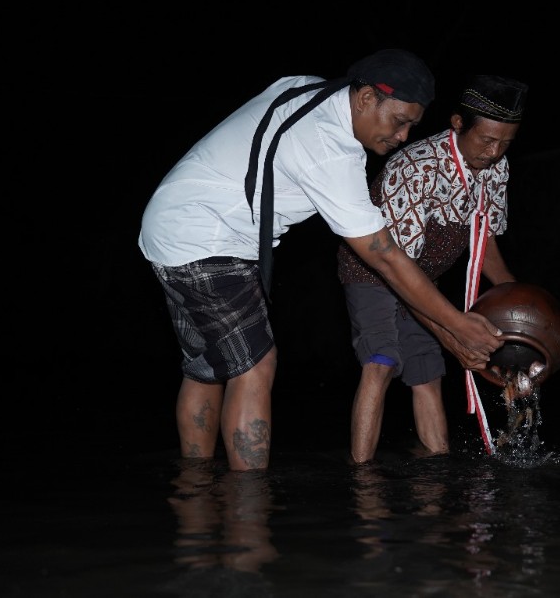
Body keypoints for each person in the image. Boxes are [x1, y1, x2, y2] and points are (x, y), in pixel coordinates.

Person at [138, 49, 504, 470]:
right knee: (255, 366)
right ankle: (248, 509)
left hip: (167, 226)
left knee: (206, 367)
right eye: (400, 121)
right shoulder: (331, 149)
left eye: (412, 126)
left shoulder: (306, 87)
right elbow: (383, 256)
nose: (403, 136)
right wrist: (458, 325)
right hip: (209, 237)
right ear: (366, 98)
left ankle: (196, 493)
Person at [336, 74, 528, 464]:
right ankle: (361, 479)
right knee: (383, 359)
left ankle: (437, 471)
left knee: (426, 369)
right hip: (375, 270)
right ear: (458, 124)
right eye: (487, 140)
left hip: (422, 277)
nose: (494, 152)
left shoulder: (496, 168)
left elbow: (483, 235)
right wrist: (452, 331)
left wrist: (512, 293)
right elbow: (394, 265)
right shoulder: (416, 167)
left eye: (505, 144)